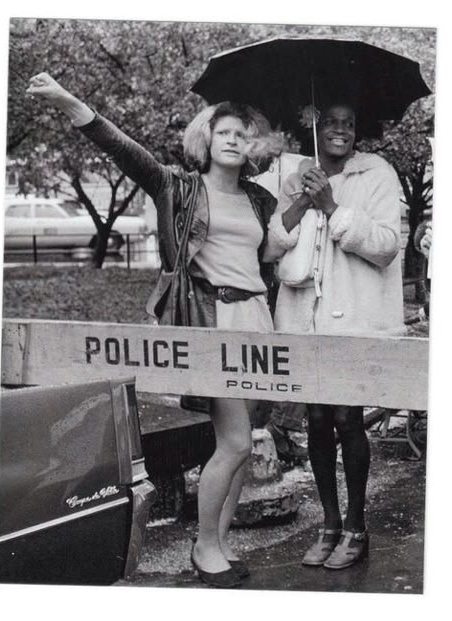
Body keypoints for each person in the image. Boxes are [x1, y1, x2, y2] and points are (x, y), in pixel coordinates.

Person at [27, 72, 281, 588]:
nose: (233, 139)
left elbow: (265, 256)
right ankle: (205, 547)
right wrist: (68, 100)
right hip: (210, 324)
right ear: (206, 139)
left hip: (257, 320)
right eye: (223, 130)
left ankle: (221, 542)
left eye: (242, 133)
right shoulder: (180, 188)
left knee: (241, 442)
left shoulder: (259, 200)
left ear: (252, 144)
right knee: (233, 443)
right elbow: (124, 149)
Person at [265, 101, 405, 569]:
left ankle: (356, 526)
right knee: (318, 423)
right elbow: (272, 245)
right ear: (316, 127)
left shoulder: (377, 173)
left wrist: (333, 207)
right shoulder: (296, 176)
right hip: (306, 319)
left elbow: (387, 246)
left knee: (349, 419)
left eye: (348, 123)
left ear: (356, 131)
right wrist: (305, 199)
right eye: (331, 123)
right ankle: (328, 524)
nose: (340, 131)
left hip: (355, 319)